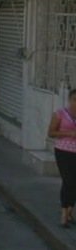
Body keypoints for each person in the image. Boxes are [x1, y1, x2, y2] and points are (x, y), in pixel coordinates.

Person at [47, 89, 76, 227]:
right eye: (75, 100)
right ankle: (64, 213)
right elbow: (51, 132)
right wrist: (70, 133)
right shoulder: (60, 113)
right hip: (64, 152)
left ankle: (70, 211)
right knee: (68, 181)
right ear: (69, 100)